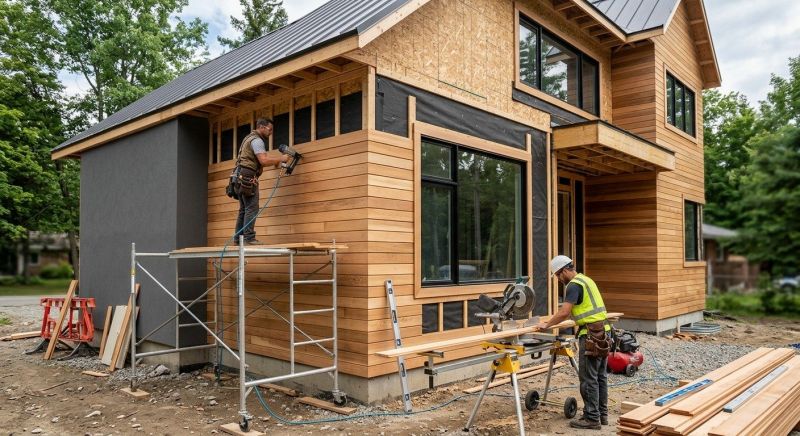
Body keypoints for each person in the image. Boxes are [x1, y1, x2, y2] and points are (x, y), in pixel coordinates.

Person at [534, 255, 611, 430]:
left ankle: (592, 418)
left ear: (564, 271)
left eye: (558, 275)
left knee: (588, 379)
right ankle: (602, 415)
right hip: (604, 332)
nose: (559, 279)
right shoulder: (587, 280)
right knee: (600, 376)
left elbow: (564, 312)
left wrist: (547, 325)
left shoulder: (574, 285)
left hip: (591, 335)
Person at [233, 118, 289, 245]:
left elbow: (257, 161)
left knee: (244, 209)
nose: (271, 133)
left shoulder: (248, 138)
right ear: (262, 127)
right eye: (270, 129)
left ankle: (238, 239)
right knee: (252, 208)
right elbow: (263, 160)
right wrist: (281, 158)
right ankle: (248, 238)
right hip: (247, 177)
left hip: (239, 177)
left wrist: (275, 162)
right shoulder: (257, 141)